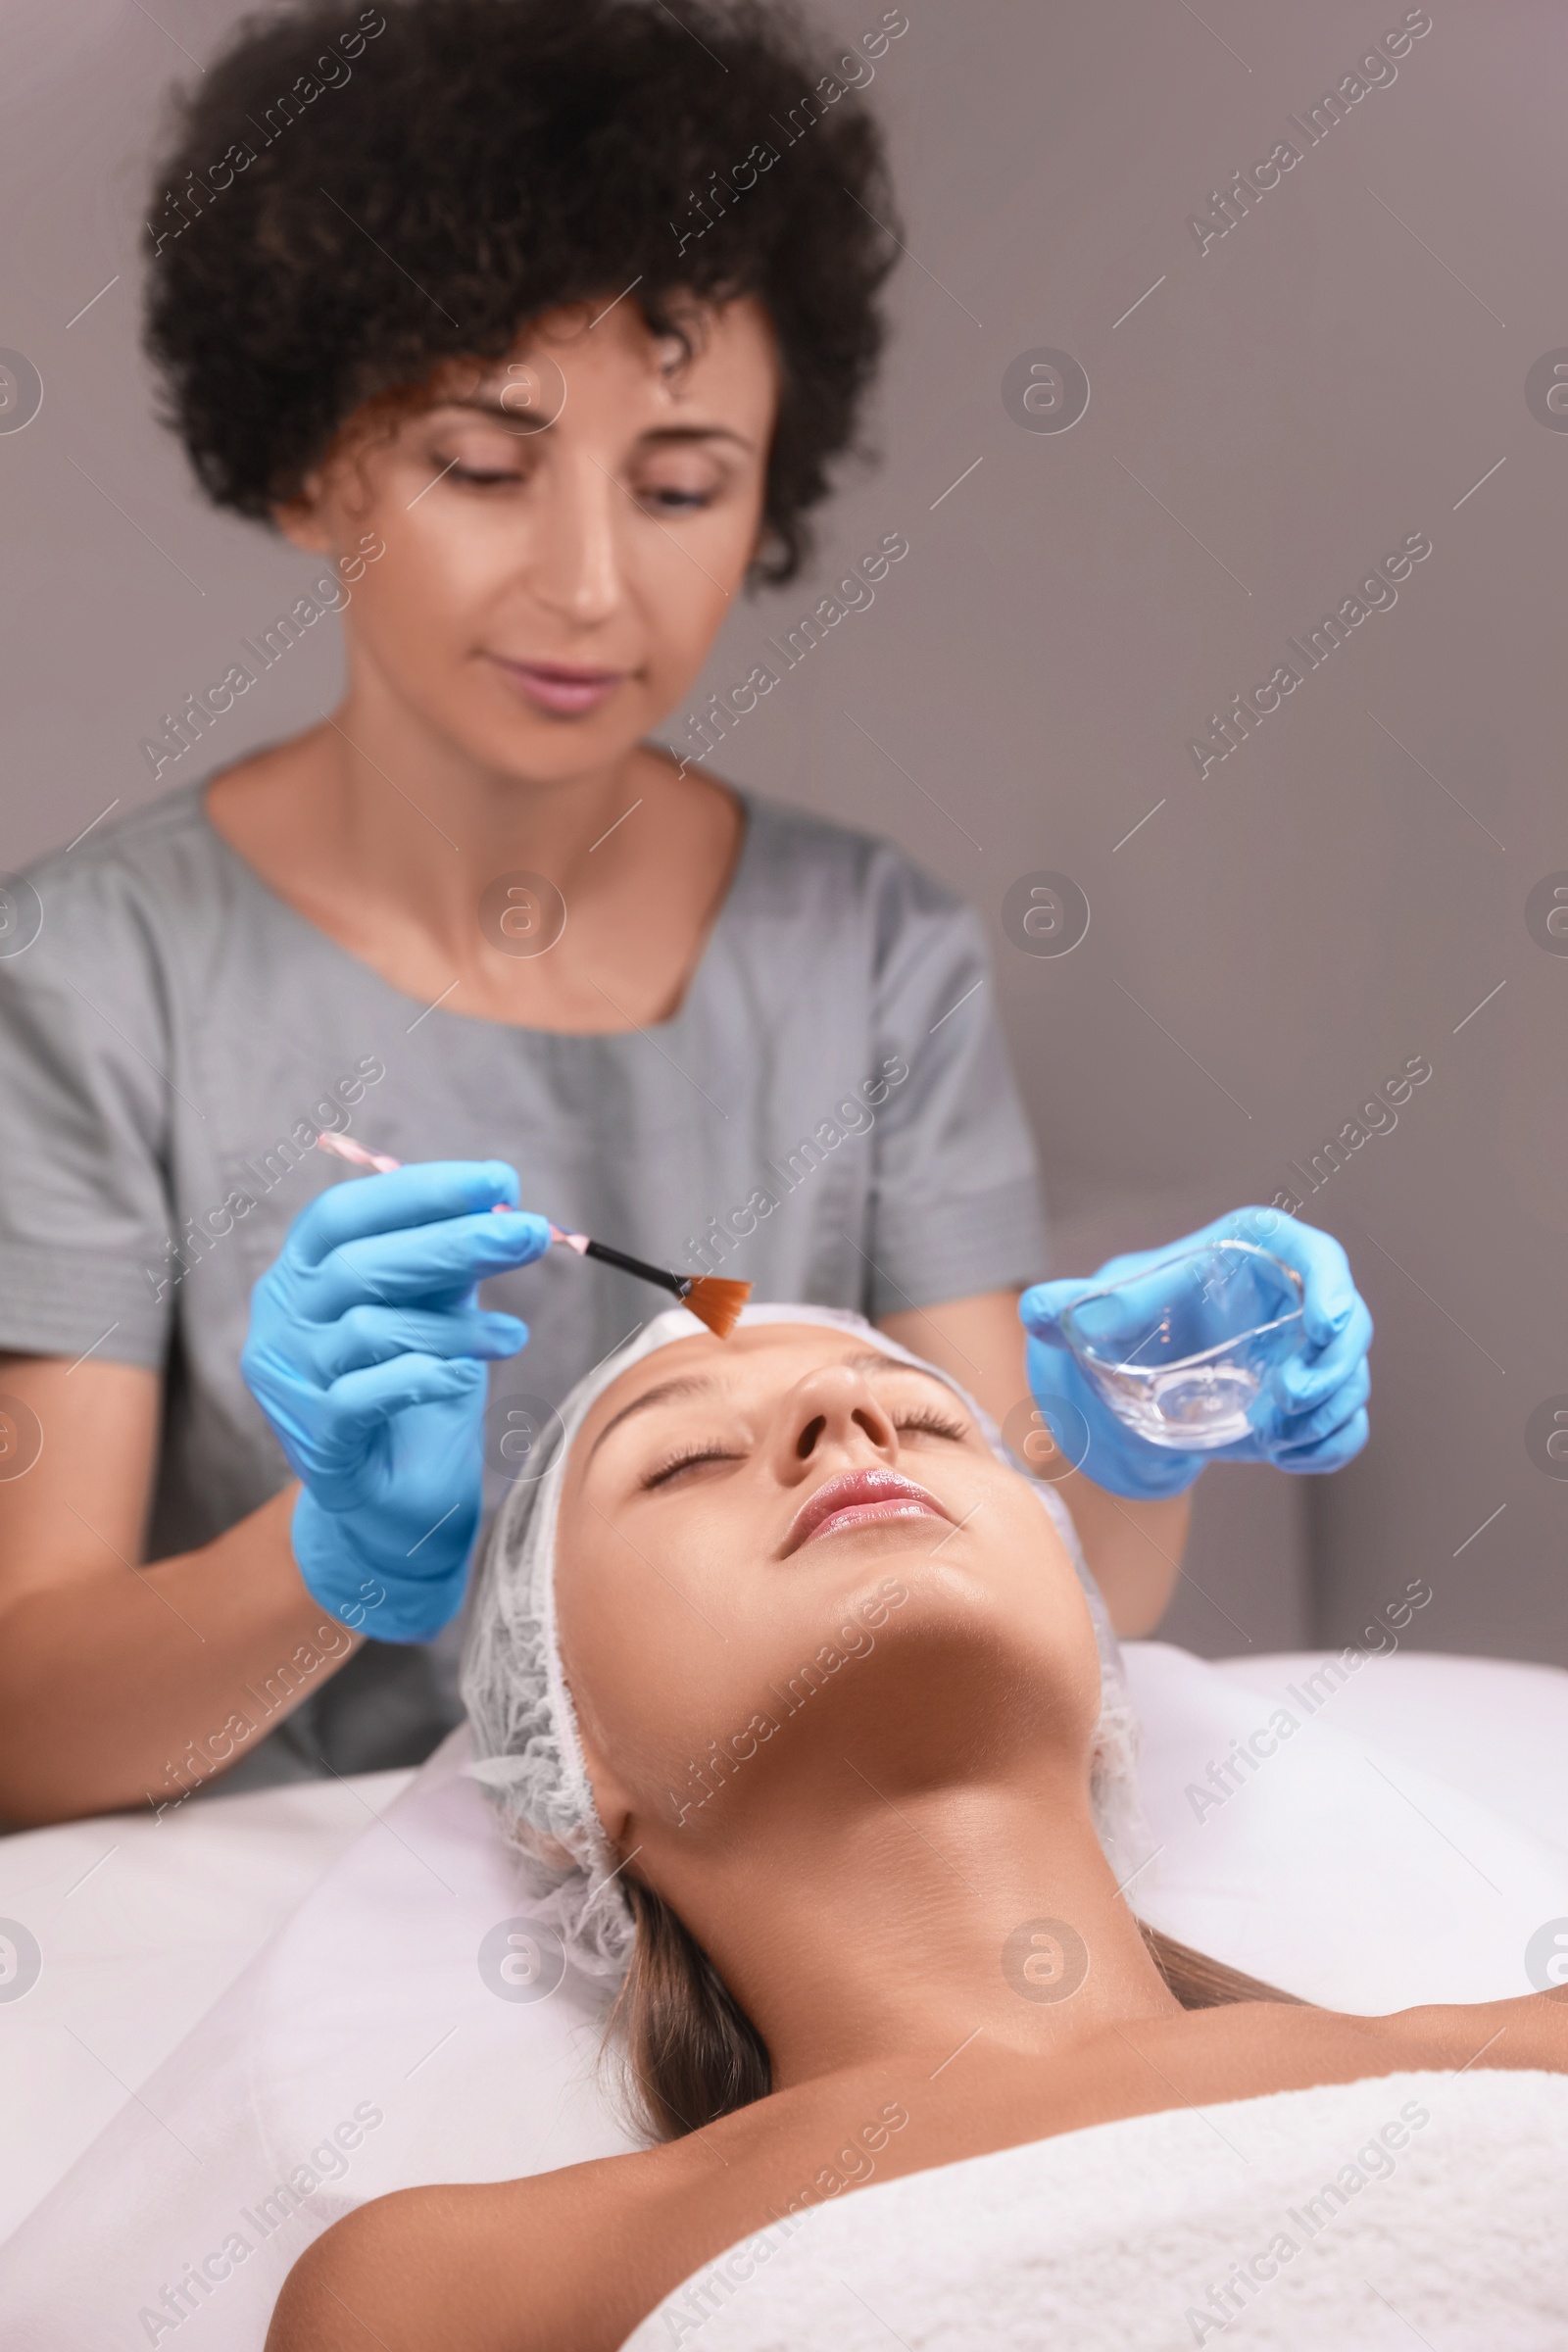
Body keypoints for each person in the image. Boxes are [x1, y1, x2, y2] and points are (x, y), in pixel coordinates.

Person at [0, 0, 1371, 1825]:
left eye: (679, 487)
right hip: (260, 1936)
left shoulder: (871, 953)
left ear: (769, 494)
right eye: (483, 470)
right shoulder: (92, 980)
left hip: (747, 1893)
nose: (586, 584)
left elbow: (1043, 1582)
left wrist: (1135, 1442)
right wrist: (325, 1569)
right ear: (314, 462)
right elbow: (23, 1727)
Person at [266, 1309, 1564, 2352]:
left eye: (934, 1423)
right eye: (687, 1459)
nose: (851, 1420)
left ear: (1091, 1643)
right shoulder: (452, 2294)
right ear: (567, 1756)